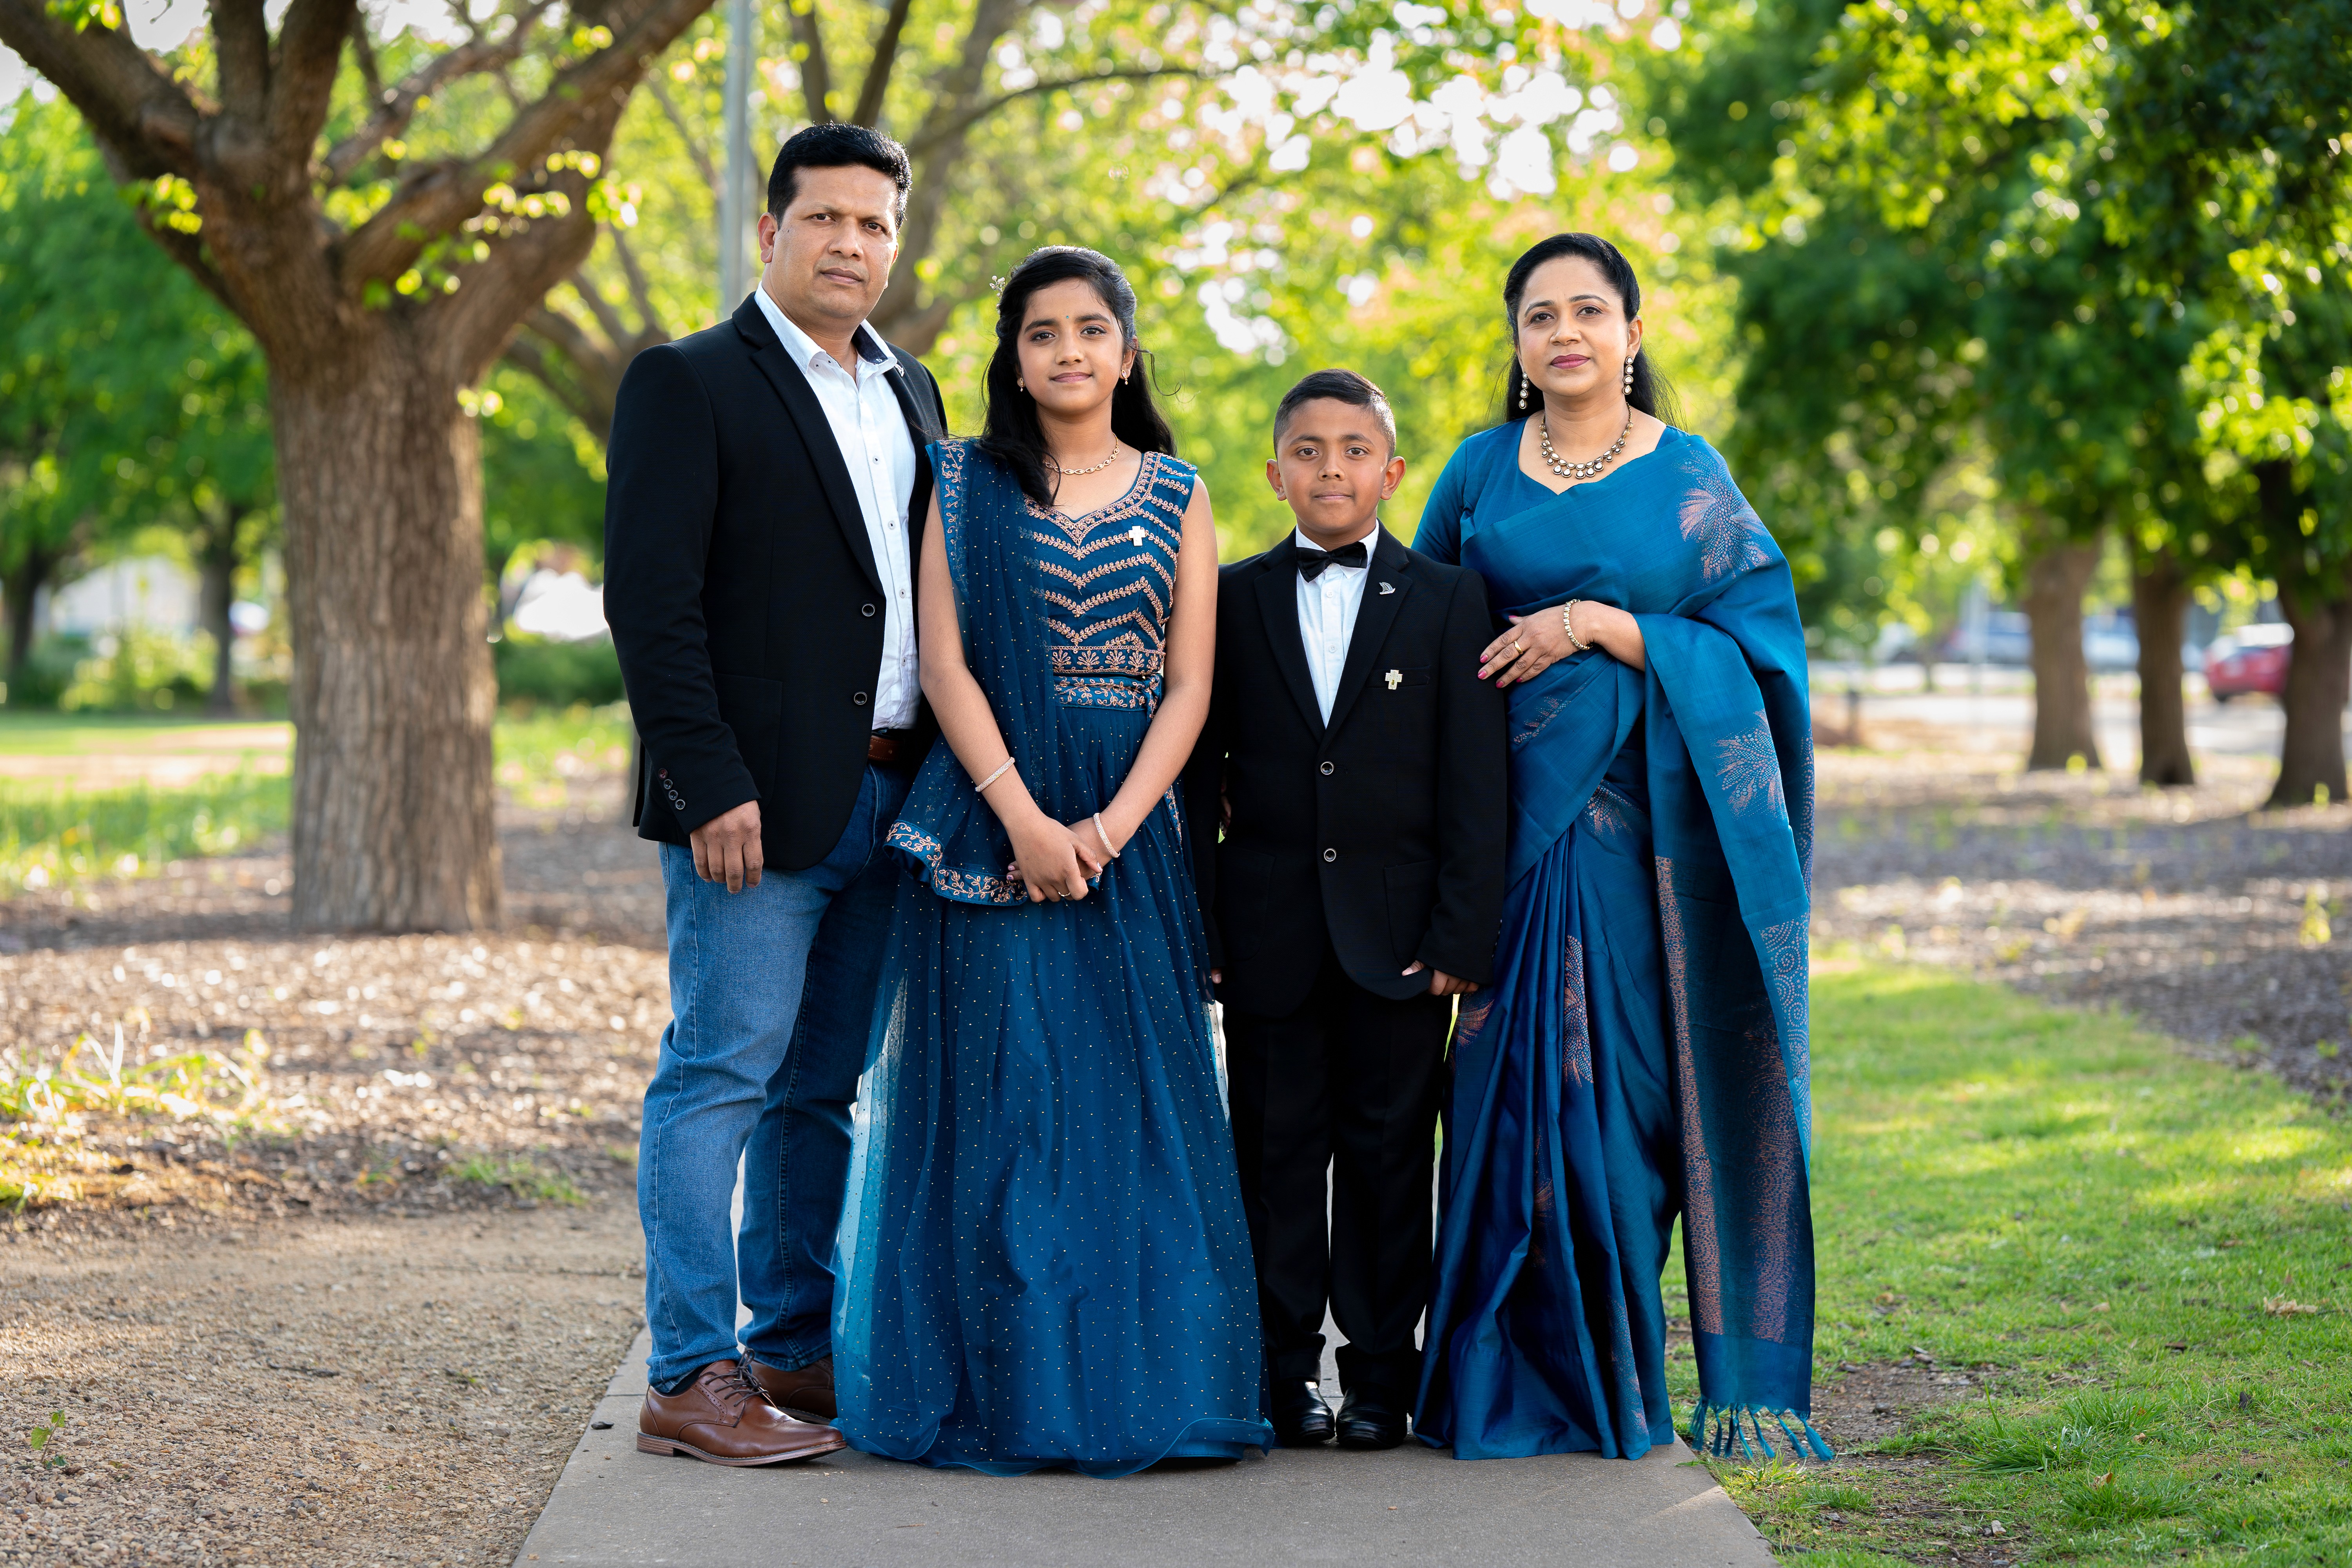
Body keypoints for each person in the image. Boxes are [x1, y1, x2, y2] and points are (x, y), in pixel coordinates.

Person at [830, 247, 1274, 1475]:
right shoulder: (962, 481)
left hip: (1130, 830)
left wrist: (1113, 827)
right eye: (1041, 333)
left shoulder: (1180, 491)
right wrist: (1023, 816)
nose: (1068, 350)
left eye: (1091, 329)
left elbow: (1189, 689)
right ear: (1013, 362)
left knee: (1131, 1111)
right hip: (994, 816)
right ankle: (1014, 1398)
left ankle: (1141, 1390)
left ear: (1128, 355)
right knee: (1010, 1106)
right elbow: (946, 665)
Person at [1410, 233, 1830, 1465]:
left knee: (1628, 1112)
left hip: (1645, 855)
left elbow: (1765, 659)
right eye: (1540, 316)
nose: (1565, 333)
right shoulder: (1480, 473)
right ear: (1518, 343)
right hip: (1510, 849)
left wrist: (1604, 627)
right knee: (1500, 1105)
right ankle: (1496, 1379)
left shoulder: (1696, 481)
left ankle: (1613, 1381)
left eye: (1589, 310)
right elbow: (1420, 638)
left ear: (1633, 335)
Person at [603, 123, 948, 1466]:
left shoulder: (909, 391)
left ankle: (795, 1347)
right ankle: (692, 1373)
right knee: (719, 1078)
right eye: (825, 220)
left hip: (886, 797)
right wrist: (707, 786)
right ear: (771, 232)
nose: (850, 244)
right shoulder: (688, 382)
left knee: (826, 1090)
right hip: (751, 811)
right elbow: (654, 606)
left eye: (874, 225)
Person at [1185, 369, 1507, 1450]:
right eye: (1310, 451)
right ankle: (1282, 1375)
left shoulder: (1451, 598)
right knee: (1272, 1162)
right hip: (1267, 935)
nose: (1333, 469)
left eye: (1355, 450)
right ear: (1275, 473)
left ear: (1393, 470)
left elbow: (1475, 782)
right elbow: (1198, 780)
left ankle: (1380, 1378)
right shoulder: (1229, 598)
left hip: (1402, 944)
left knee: (1386, 1164)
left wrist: (1464, 936)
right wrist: (1205, 926)